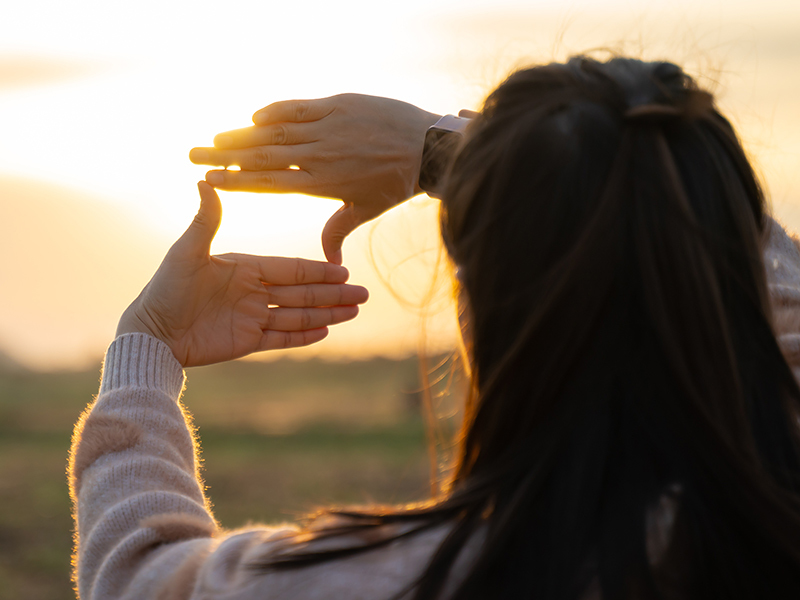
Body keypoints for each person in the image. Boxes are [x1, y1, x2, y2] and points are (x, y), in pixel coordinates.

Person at [69, 56, 800, 600]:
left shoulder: (413, 578)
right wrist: (439, 148)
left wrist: (148, 345)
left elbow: (139, 578)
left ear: (481, 304)